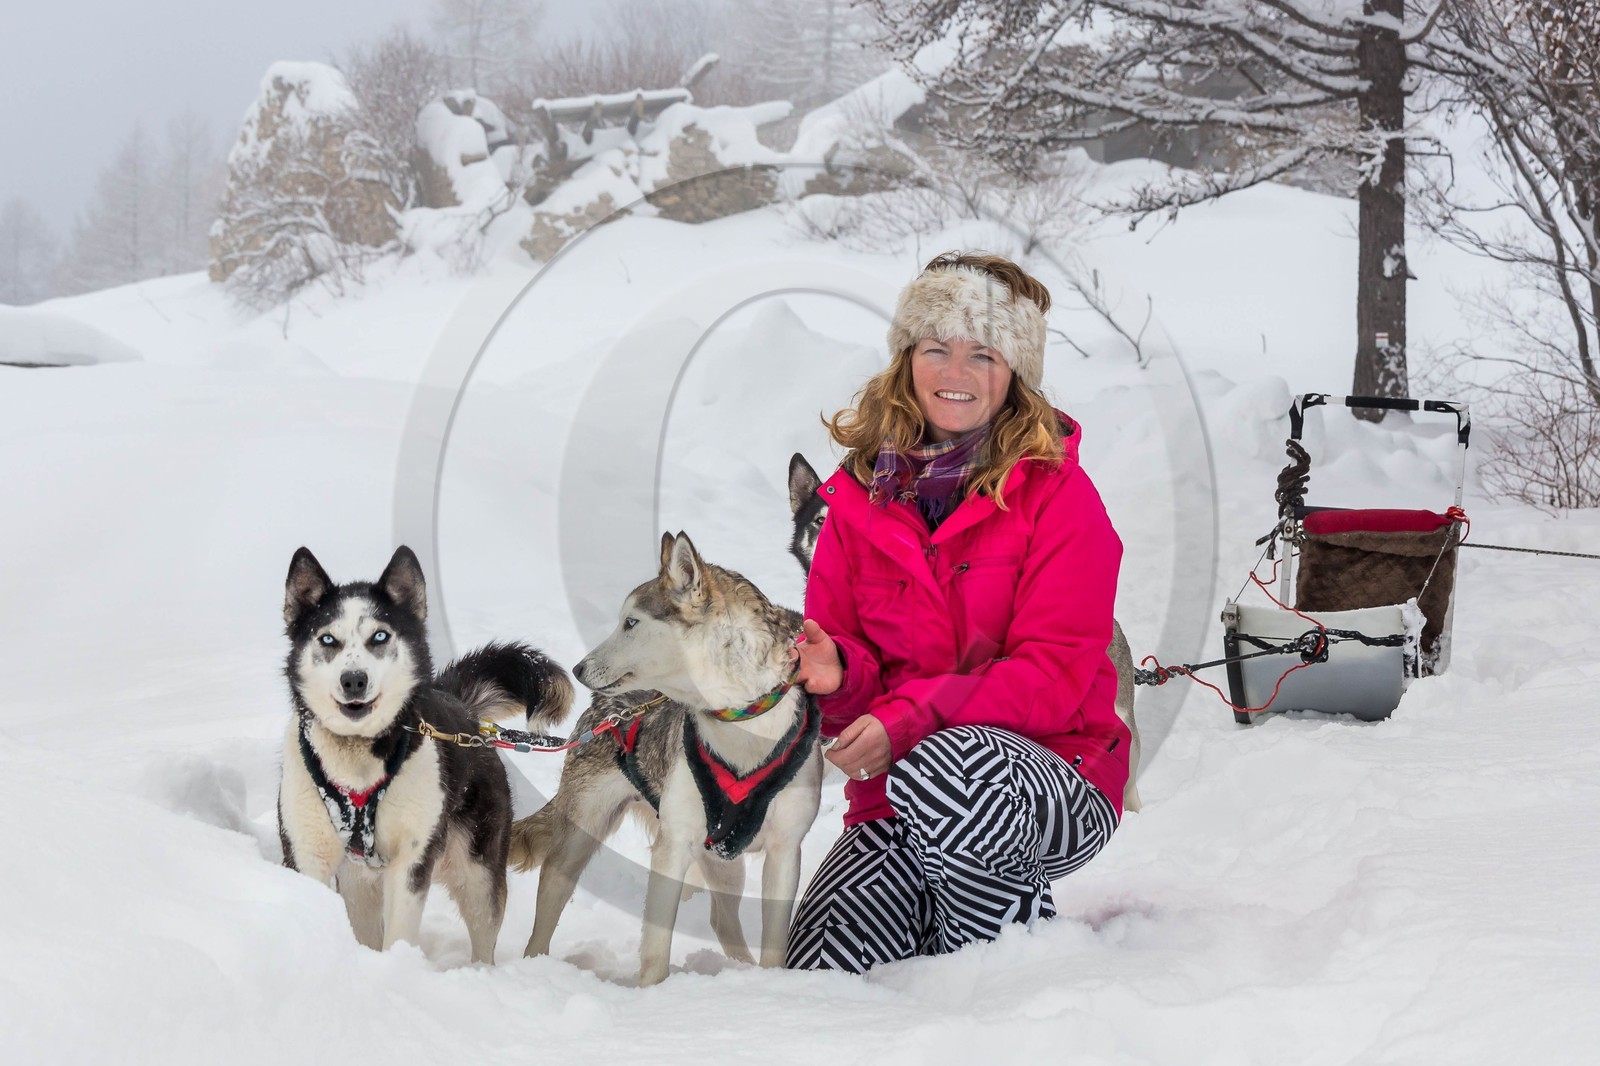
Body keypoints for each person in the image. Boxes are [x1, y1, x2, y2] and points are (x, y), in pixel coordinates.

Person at [785, 251, 1129, 973]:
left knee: (950, 764)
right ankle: (939, 911)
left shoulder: (1061, 497)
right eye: (936, 348)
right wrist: (837, 674)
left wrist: (908, 722)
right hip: (897, 802)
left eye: (983, 354)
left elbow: (1052, 676)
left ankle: (1003, 979)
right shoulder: (856, 503)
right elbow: (856, 687)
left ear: (1015, 374)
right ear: (908, 359)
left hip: (1056, 778)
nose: (955, 373)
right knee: (824, 966)